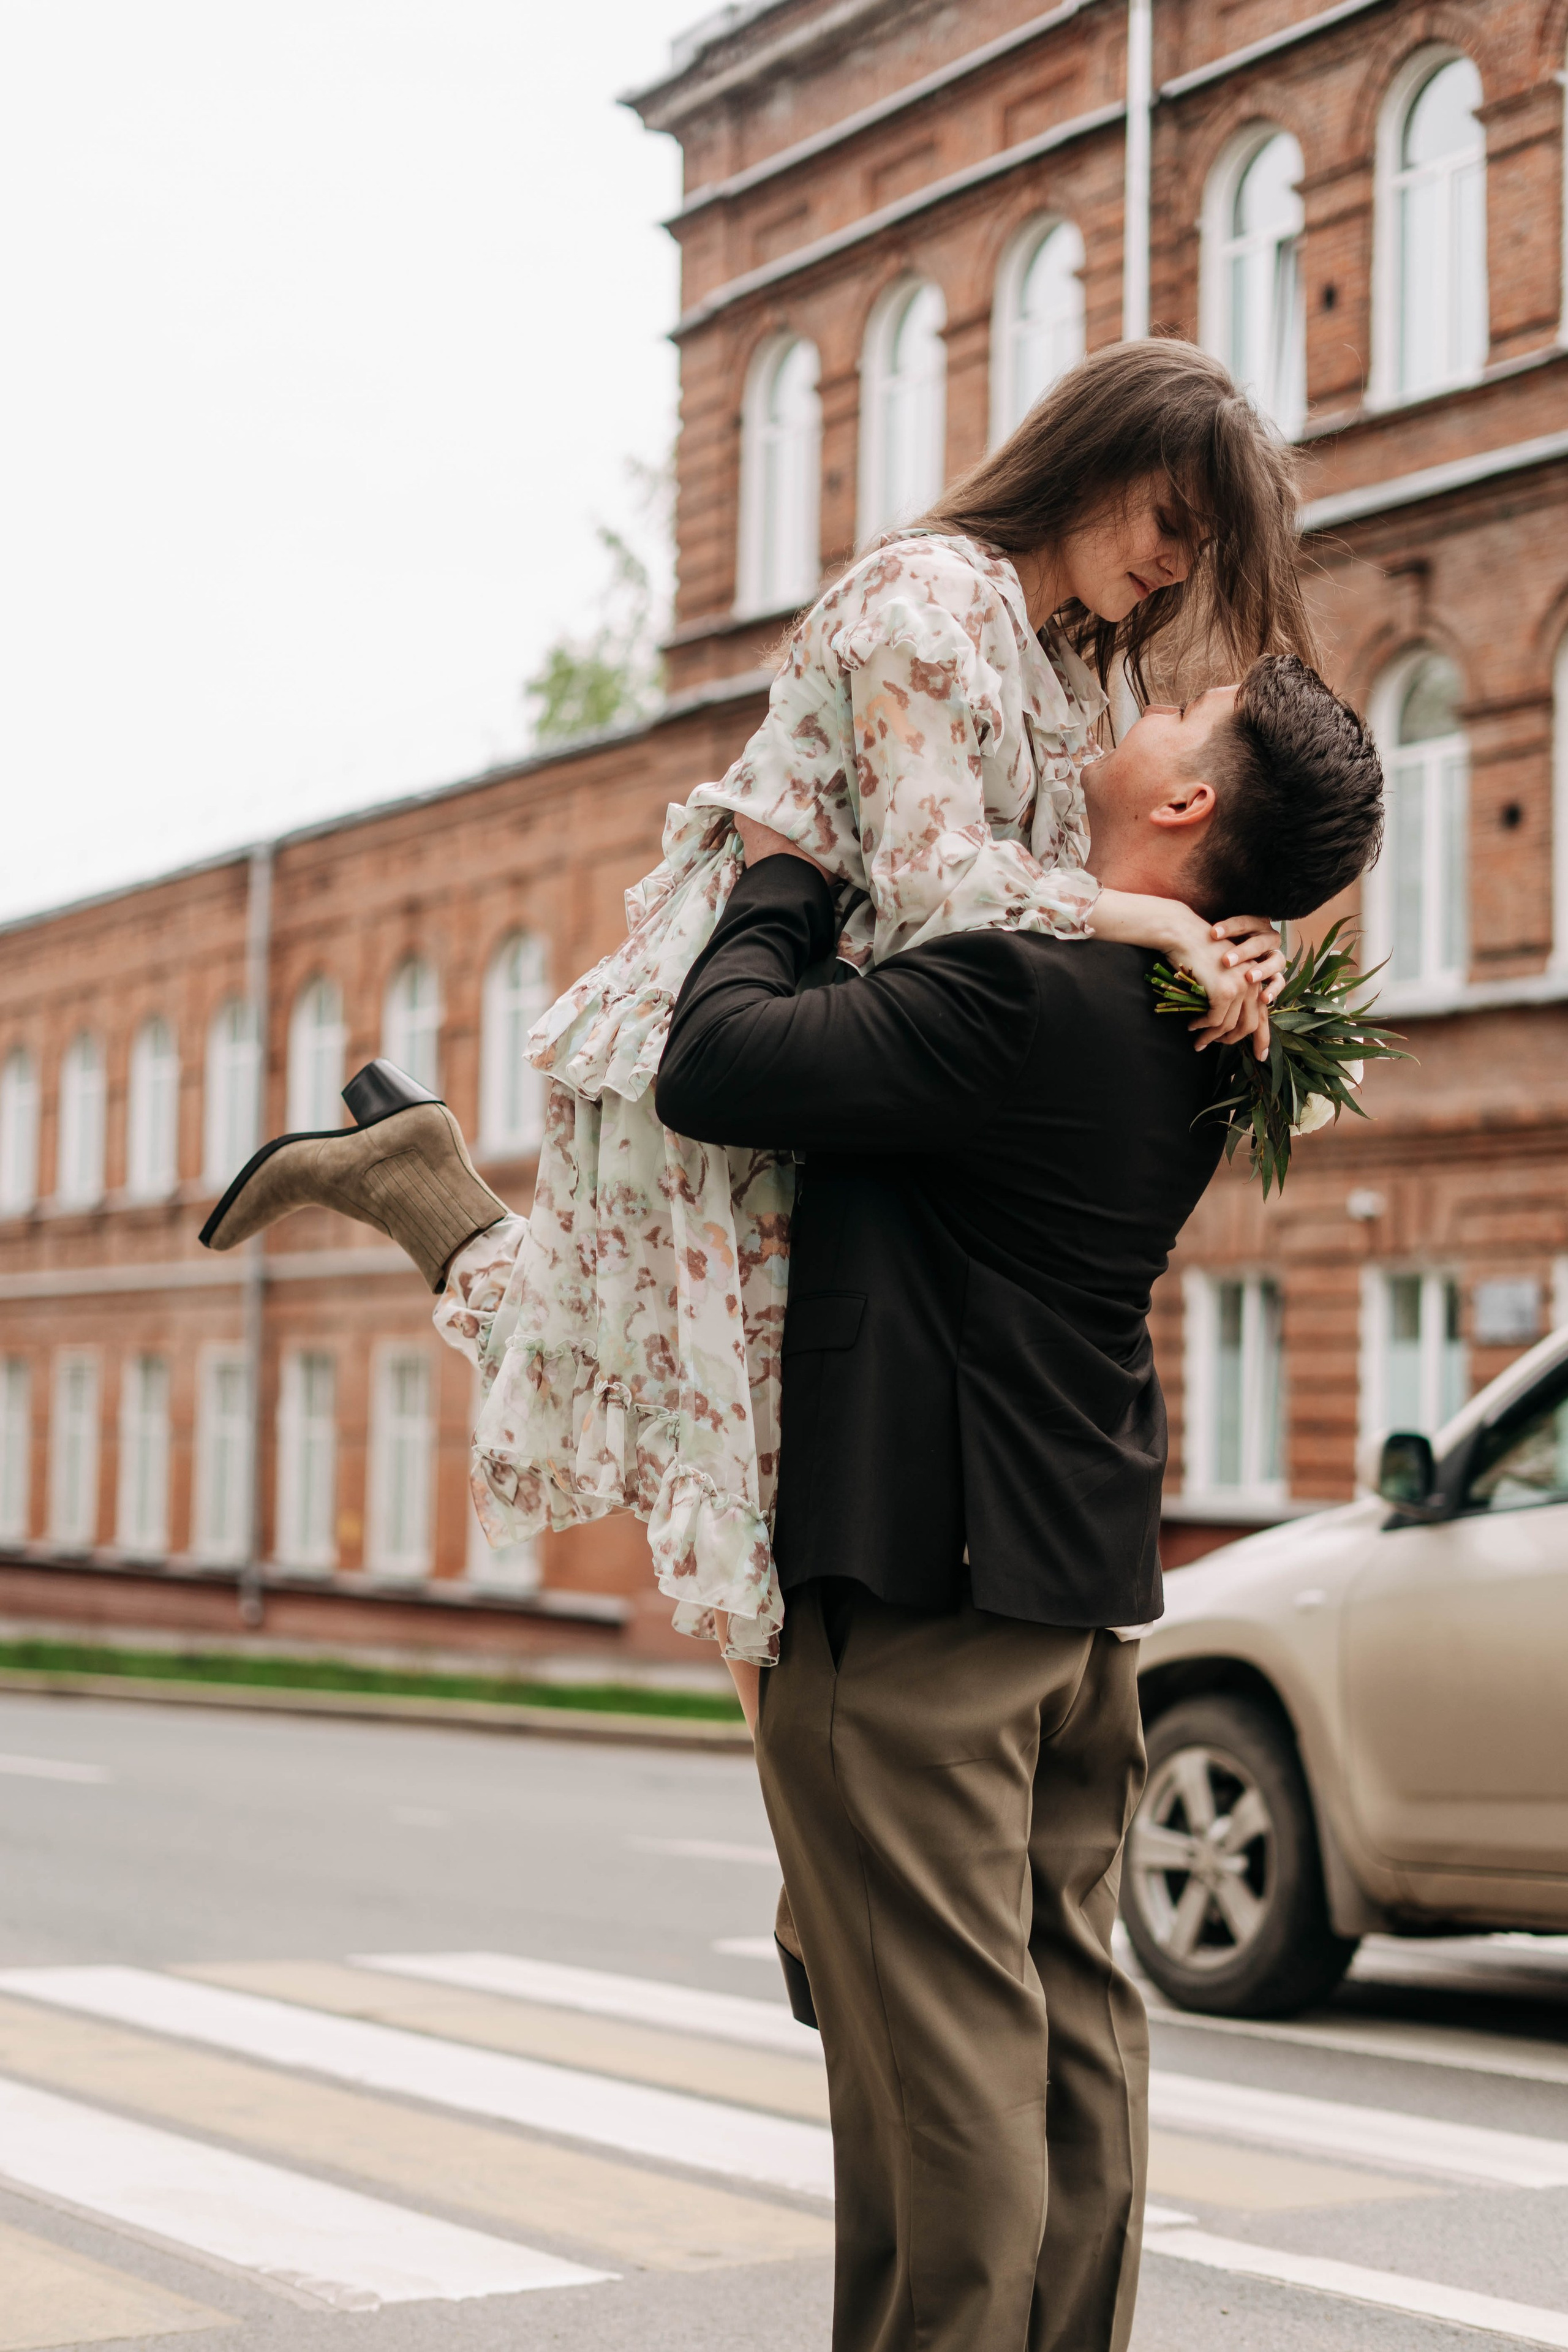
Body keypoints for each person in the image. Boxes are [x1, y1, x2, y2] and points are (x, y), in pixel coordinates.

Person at [203, 337, 1314, 1702]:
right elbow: (928, 886)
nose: (1175, 568)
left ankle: (421, 1182)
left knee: (716, 1410)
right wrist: (1148, 921)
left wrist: (1228, 926)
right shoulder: (927, 596)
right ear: (1092, 462)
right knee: (713, 1429)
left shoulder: (1054, 657)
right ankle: (823, 1878)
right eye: (1168, 526)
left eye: (1198, 549)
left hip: (866, 1036)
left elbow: (1081, 856)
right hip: (758, 1009)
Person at [646, 652, 1384, 2352]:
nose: (1121, 718)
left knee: (943, 2068)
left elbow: (717, 1061)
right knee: (1068, 2027)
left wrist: (780, 872)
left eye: (1165, 716)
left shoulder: (1017, 993)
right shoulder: (1193, 1015)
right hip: (1075, 1601)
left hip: (922, 1592)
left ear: (1188, 802)